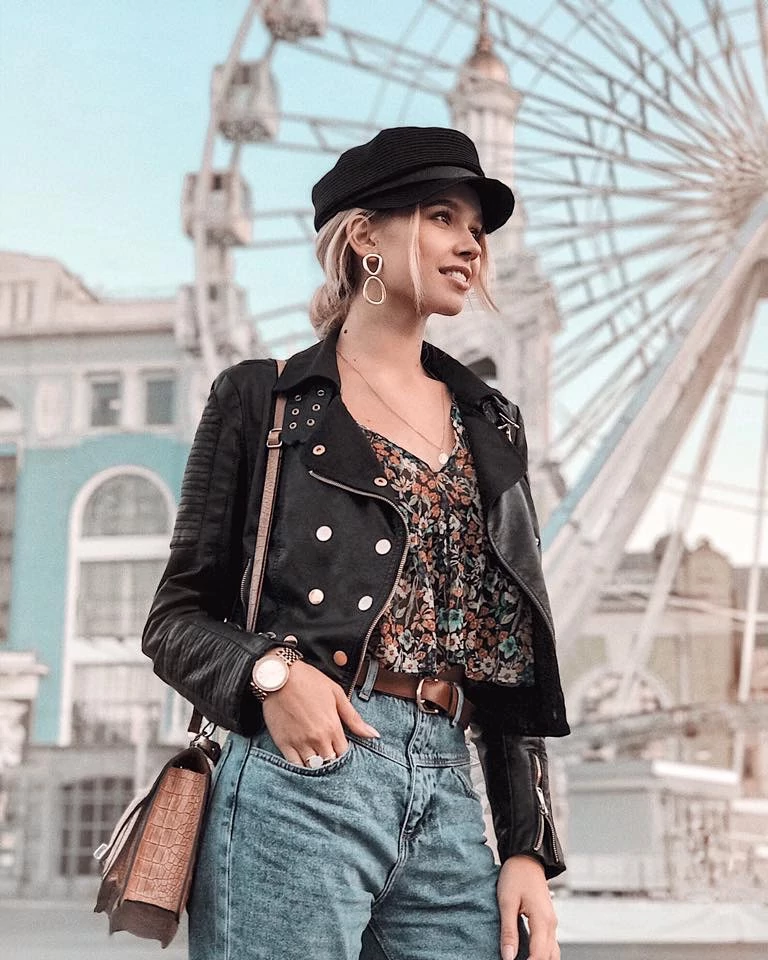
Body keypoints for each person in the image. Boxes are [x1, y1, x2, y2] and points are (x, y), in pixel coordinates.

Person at [142, 126, 569, 960]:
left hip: (448, 789)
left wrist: (526, 848)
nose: (470, 246)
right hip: (302, 773)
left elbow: (505, 659)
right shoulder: (265, 402)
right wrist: (271, 675)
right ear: (365, 235)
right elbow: (173, 620)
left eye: (476, 229)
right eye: (442, 217)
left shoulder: (492, 424)